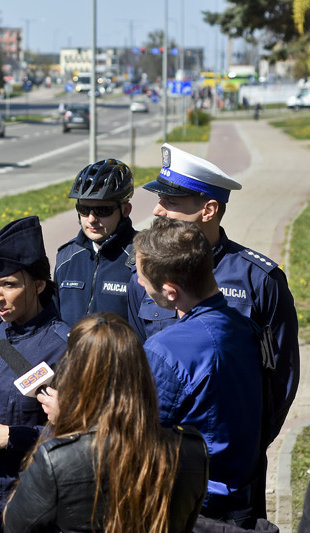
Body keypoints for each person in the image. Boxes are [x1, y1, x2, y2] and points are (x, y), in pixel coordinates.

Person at [126, 143, 298, 446]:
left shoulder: (259, 280)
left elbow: (280, 375)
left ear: (208, 210)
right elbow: (139, 365)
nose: (157, 209)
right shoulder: (144, 275)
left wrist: (253, 445)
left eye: (171, 200)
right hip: (164, 453)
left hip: (233, 459)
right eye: (159, 198)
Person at [3, 313, 208, 533]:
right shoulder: (192, 450)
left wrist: (64, 425)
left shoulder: (56, 460)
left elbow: (15, 524)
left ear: (75, 374)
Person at [134, 217, 264, 526]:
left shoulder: (164, 350)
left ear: (170, 291)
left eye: (143, 279)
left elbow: (138, 438)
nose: (139, 284)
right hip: (244, 502)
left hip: (191, 512)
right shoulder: (247, 328)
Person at [0, 215, 69, 532]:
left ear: (38, 284)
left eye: (8, 285)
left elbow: (84, 434)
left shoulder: (66, 347)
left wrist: (15, 438)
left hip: (38, 503)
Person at [53, 159, 137, 326]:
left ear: (126, 210)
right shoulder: (66, 257)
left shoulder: (142, 256)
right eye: (83, 210)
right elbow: (53, 320)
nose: (91, 219)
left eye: (102, 210)